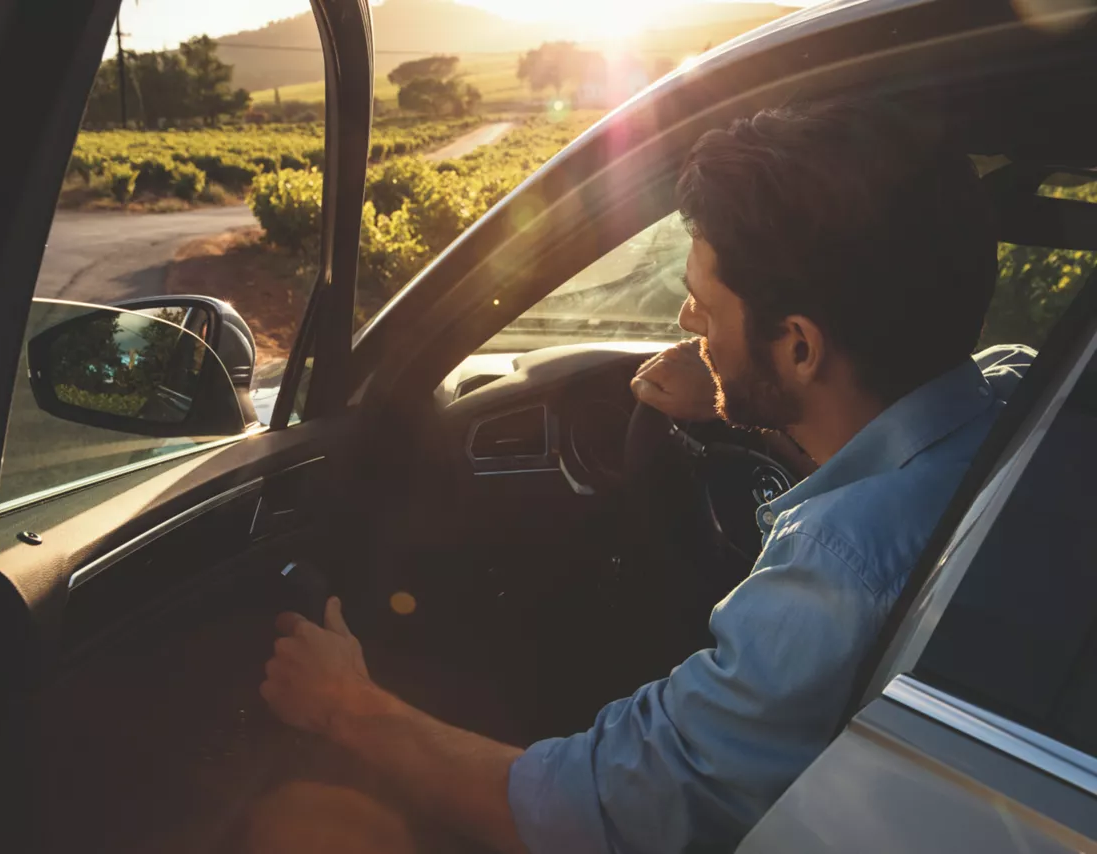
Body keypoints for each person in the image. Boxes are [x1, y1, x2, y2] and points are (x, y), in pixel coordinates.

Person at [256, 101, 1035, 854]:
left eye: (701, 304)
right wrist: (747, 393)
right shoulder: (1017, 397)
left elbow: (591, 814)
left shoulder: (842, 572)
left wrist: (346, 707)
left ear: (799, 347)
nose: (688, 326)